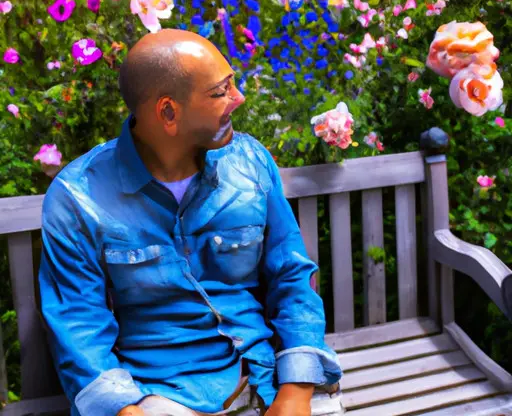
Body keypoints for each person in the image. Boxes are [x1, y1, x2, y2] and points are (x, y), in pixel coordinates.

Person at [39, 29, 342, 416]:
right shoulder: (78, 198)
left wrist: (296, 391)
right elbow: (77, 324)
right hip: (164, 393)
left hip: (269, 374)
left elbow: (292, 277)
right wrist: (126, 411)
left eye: (232, 84)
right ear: (169, 112)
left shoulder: (250, 164)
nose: (239, 98)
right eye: (220, 92)